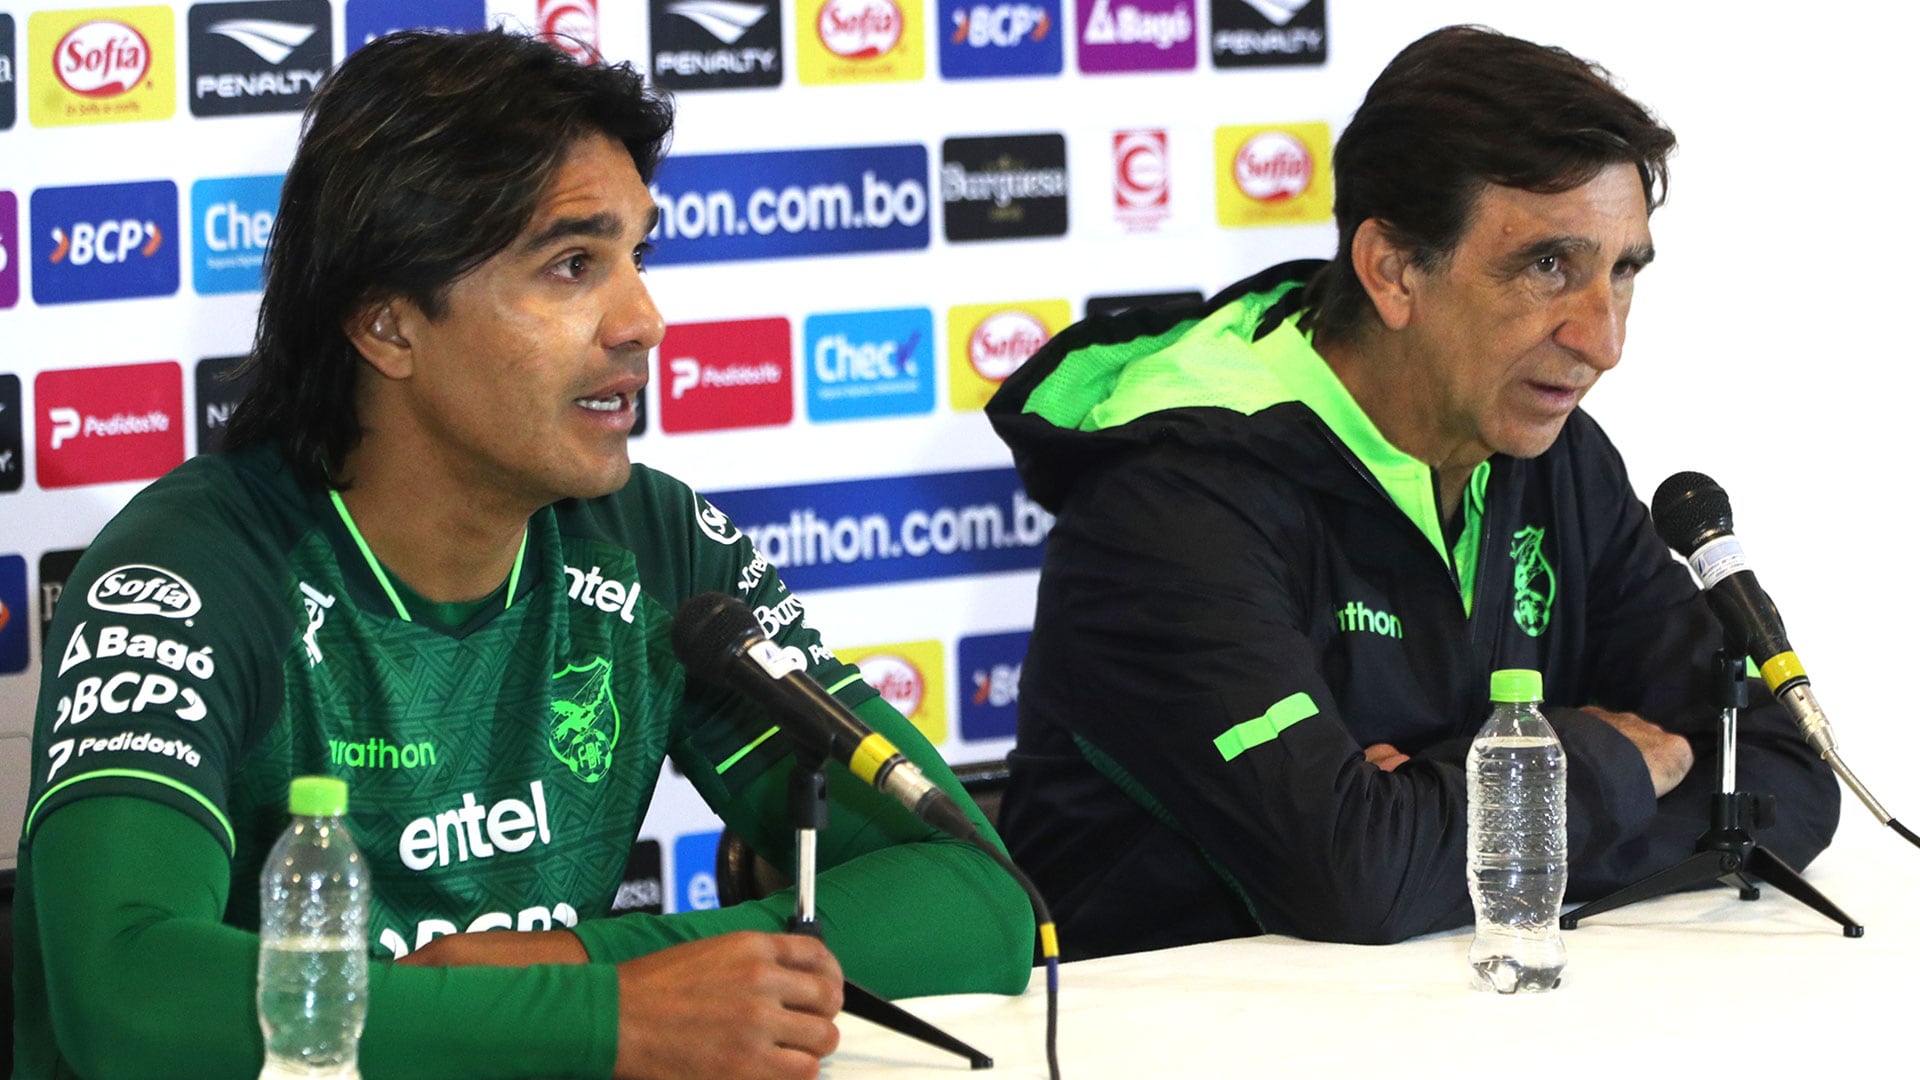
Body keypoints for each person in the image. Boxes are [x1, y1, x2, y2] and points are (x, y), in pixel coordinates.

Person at [14, 29, 1031, 1080]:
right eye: (572, 264)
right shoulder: (189, 575)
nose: (644, 319)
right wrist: (605, 1015)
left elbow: (981, 897)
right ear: (387, 323)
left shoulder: (658, 547)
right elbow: (125, 993)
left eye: (640, 255)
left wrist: (580, 967)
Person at [986, 25, 1841, 959]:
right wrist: (1603, 766)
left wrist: (1440, 799)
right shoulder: (1171, 502)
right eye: (1548, 265)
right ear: (1393, 269)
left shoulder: (1552, 456)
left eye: (1622, 271)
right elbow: (1357, 882)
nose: (1603, 342)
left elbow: (1780, 773)